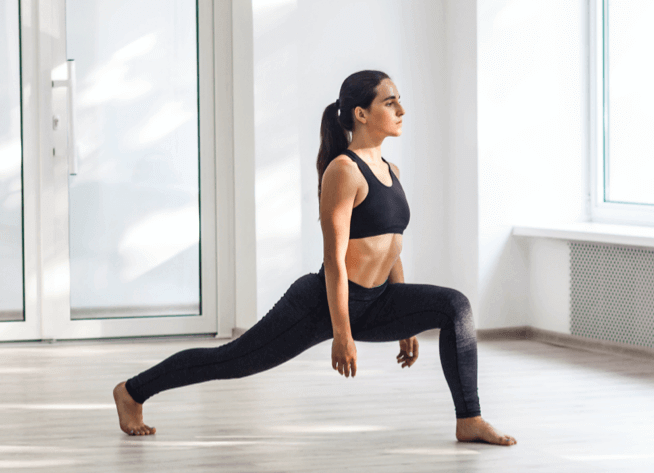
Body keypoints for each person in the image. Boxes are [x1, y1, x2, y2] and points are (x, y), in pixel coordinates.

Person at [113, 69, 517, 446]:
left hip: (377, 301)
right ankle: (132, 391)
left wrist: (404, 317)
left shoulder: (391, 168)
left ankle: (469, 418)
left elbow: (392, 245)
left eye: (399, 101)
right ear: (361, 113)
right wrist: (342, 334)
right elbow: (335, 259)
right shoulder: (343, 171)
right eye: (390, 102)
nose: (401, 110)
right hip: (323, 302)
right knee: (234, 360)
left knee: (454, 306)